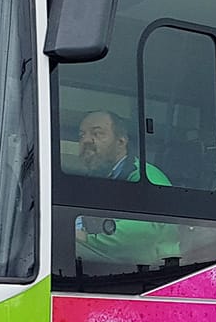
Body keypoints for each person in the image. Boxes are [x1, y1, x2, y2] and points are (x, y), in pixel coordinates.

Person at [70, 109, 179, 271]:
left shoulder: (145, 176)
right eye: (81, 135)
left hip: (157, 273)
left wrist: (86, 238)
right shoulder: (96, 180)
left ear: (121, 142)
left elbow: (143, 231)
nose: (86, 140)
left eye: (97, 133)